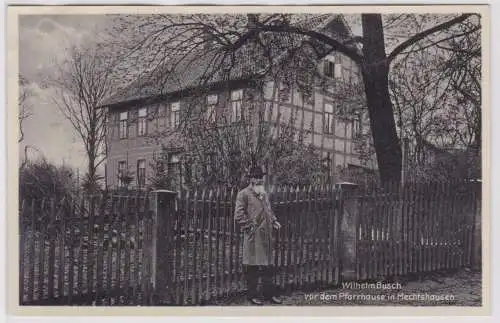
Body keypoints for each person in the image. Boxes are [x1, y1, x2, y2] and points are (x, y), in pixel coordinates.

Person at [234, 166, 282, 305]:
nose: (260, 180)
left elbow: (268, 210)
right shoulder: (243, 194)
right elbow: (238, 215)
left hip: (266, 235)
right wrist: (249, 227)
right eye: (257, 177)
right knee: (252, 266)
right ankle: (252, 296)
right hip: (253, 237)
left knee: (268, 266)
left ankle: (269, 295)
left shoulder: (263, 194)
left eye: (261, 177)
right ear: (251, 179)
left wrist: (274, 221)